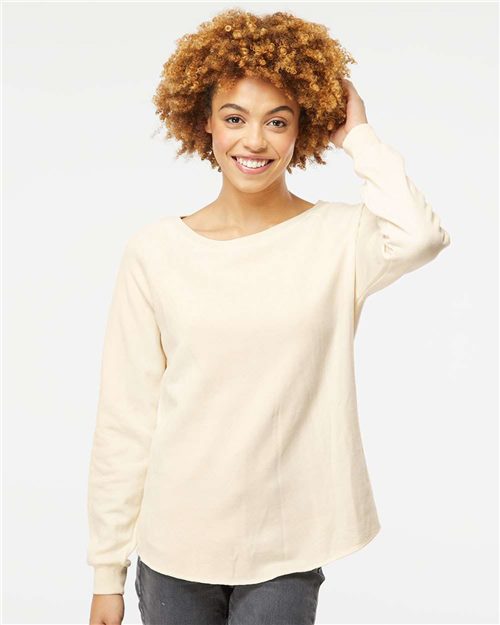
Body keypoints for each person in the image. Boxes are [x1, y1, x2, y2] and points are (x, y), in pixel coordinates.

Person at [87, 8, 451, 625]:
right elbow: (126, 418)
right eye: (235, 118)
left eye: (277, 121)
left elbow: (420, 237)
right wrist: (106, 572)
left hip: (286, 546)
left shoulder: (338, 239)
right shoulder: (156, 252)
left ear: (303, 129)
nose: (254, 141)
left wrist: (359, 136)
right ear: (204, 122)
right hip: (173, 543)